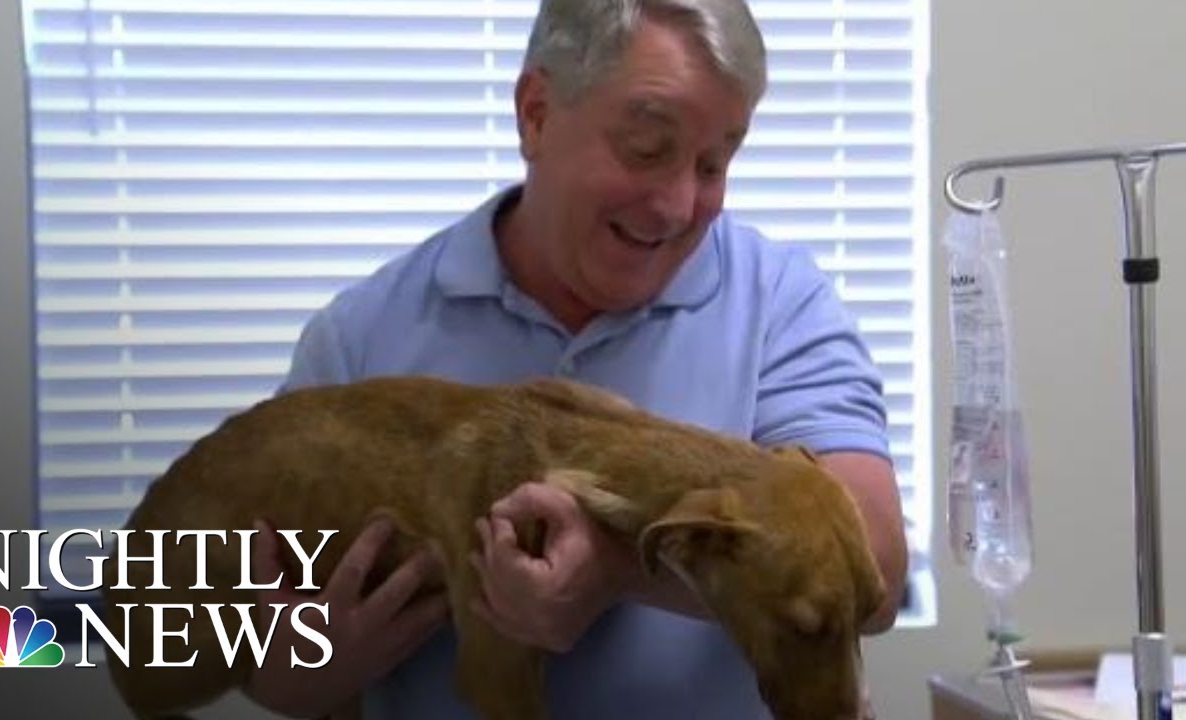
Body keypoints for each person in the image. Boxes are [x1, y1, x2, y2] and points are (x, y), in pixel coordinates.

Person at [246, 0, 909, 718]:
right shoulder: (360, 339)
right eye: (647, 148)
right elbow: (254, 644)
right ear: (535, 114)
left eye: (715, 163)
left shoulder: (780, 305)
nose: (679, 204)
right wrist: (307, 669)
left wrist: (620, 568)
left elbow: (873, 567)